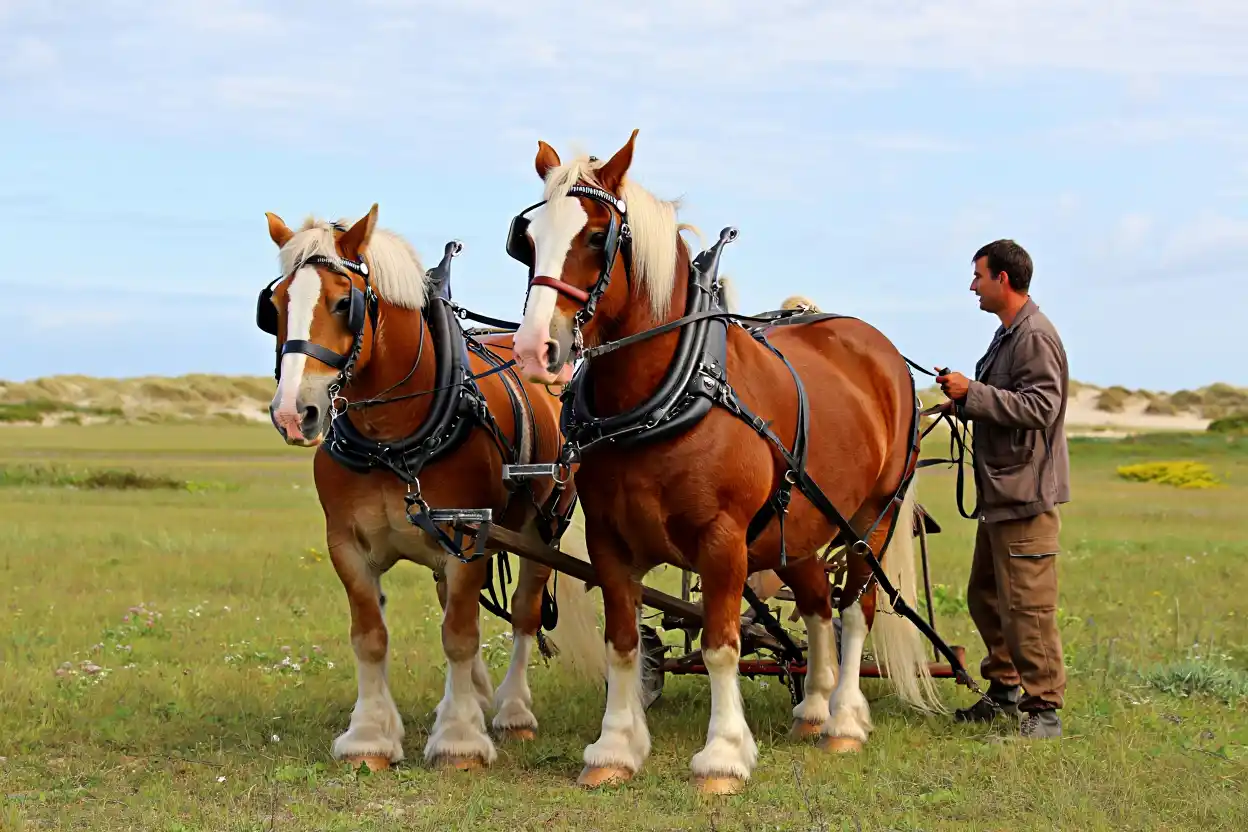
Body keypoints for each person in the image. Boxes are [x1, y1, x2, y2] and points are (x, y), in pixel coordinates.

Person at [935, 239, 1070, 740]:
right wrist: (964, 401)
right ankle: (1005, 692)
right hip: (1001, 495)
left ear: (1003, 280)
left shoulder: (1034, 336)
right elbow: (1006, 401)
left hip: (1024, 496)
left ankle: (1045, 713)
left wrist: (974, 392)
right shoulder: (1007, 334)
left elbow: (1041, 408)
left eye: (978, 276)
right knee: (987, 597)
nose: (972, 286)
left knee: (1028, 609)